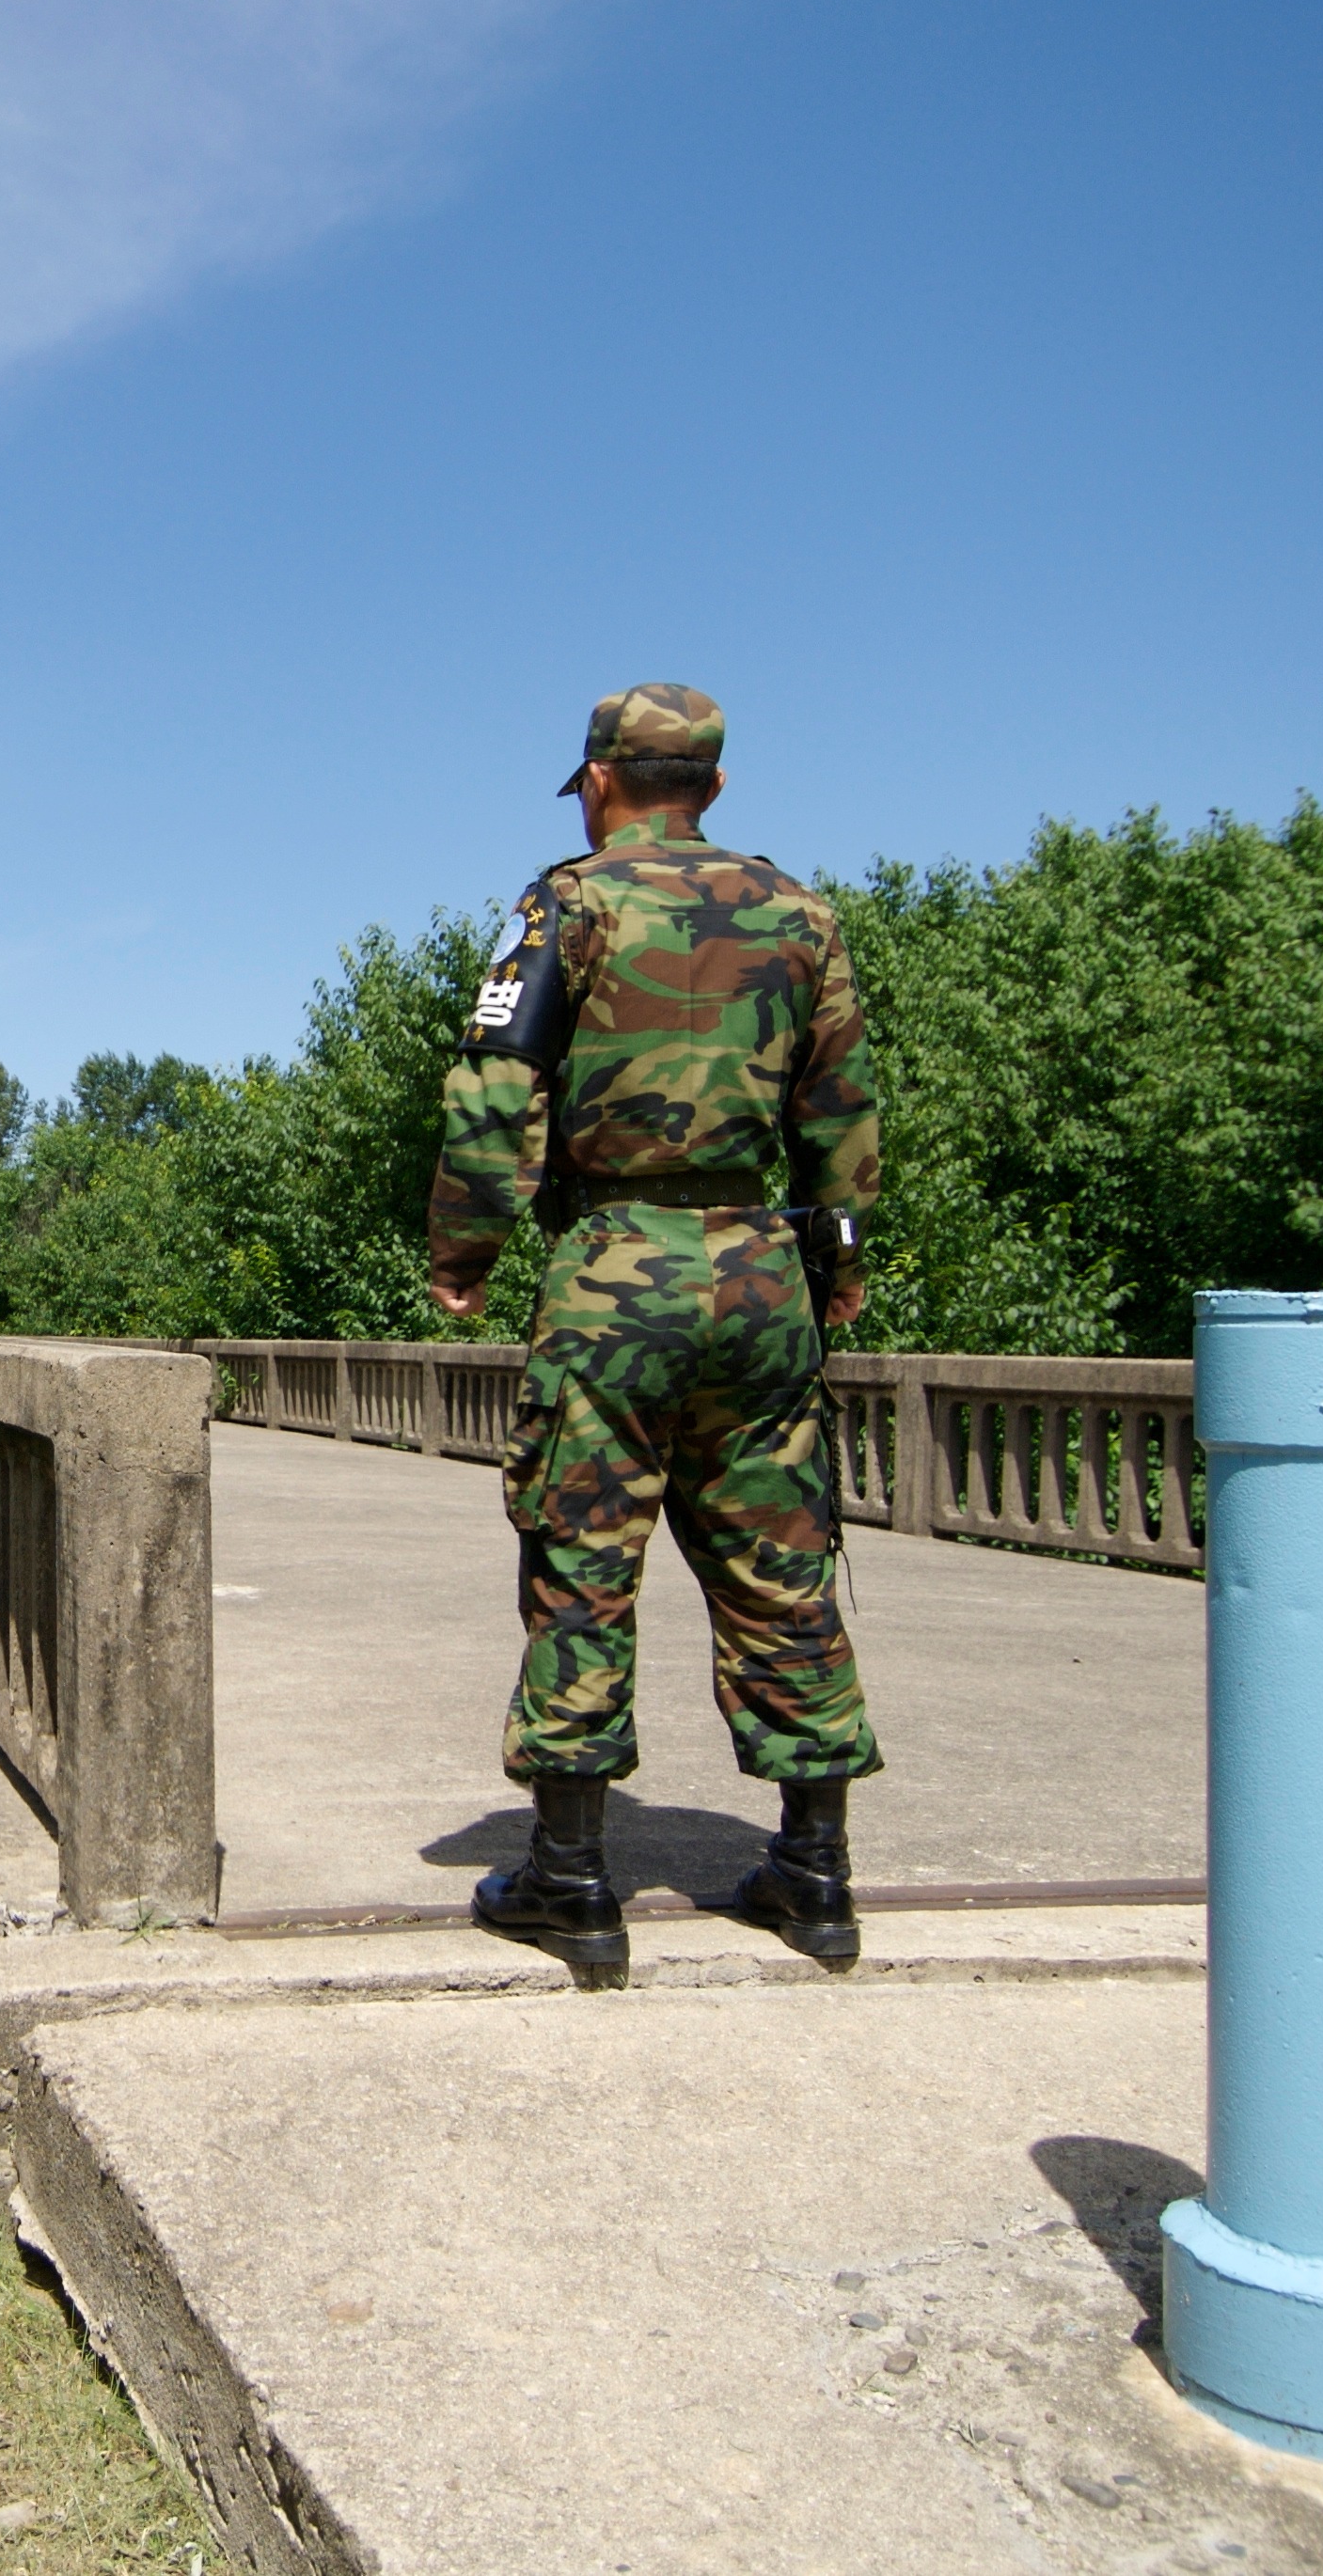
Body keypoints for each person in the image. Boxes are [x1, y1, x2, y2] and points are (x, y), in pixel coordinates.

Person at [428, 683, 883, 1979]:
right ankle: (816, 1875)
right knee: (781, 1564)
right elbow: (844, 1113)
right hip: (760, 1279)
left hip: (614, 1270)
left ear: (597, 781)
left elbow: (493, 1083)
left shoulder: (563, 907)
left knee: (583, 1562)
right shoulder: (804, 918)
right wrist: (836, 1270)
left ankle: (572, 1881)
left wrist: (466, 1248)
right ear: (716, 788)